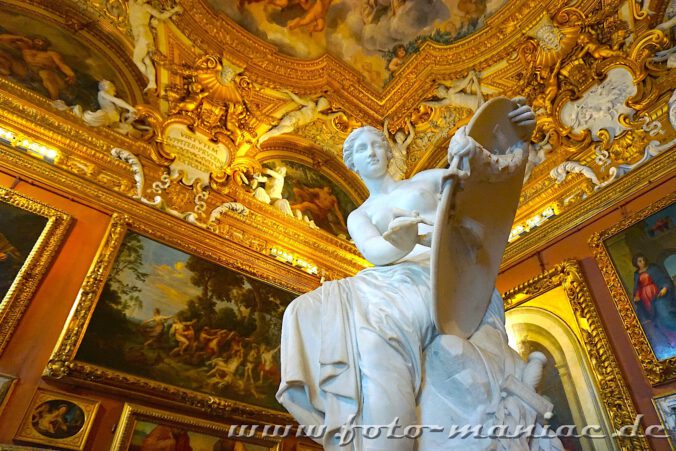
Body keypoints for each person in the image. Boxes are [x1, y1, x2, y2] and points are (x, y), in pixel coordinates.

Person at [277, 102, 544, 450]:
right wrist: (399, 243)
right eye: (360, 150)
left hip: (441, 275)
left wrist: (511, 136)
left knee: (375, 326)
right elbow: (376, 253)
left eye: (375, 145)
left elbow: (479, 183)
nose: (370, 152)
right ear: (352, 164)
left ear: (388, 153)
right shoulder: (359, 215)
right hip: (394, 276)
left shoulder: (425, 181)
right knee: (304, 310)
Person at [128, 0, 182, 92]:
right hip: (138, 35)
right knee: (147, 61)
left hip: (143, 34)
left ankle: (151, 80)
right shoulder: (132, 3)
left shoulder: (145, 7)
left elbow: (161, 16)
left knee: (137, 59)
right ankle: (152, 82)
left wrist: (175, 10)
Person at [0, 34, 75, 99]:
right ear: (33, 41)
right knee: (4, 55)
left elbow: (61, 65)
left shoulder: (51, 54)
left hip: (44, 70)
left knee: (46, 74)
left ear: (46, 45)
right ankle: (4, 75)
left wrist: (70, 74)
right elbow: (2, 39)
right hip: (27, 69)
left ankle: (55, 99)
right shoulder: (26, 49)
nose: (40, 43)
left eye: (42, 42)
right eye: (37, 41)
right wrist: (20, 38)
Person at [632, 253, 676, 346]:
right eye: (639, 261)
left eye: (643, 259)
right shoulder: (636, 274)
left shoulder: (653, 269)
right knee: (655, 318)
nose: (642, 262)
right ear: (636, 263)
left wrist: (665, 287)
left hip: (657, 293)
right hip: (645, 298)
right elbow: (637, 287)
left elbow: (664, 279)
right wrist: (636, 296)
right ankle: (671, 339)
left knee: (664, 313)